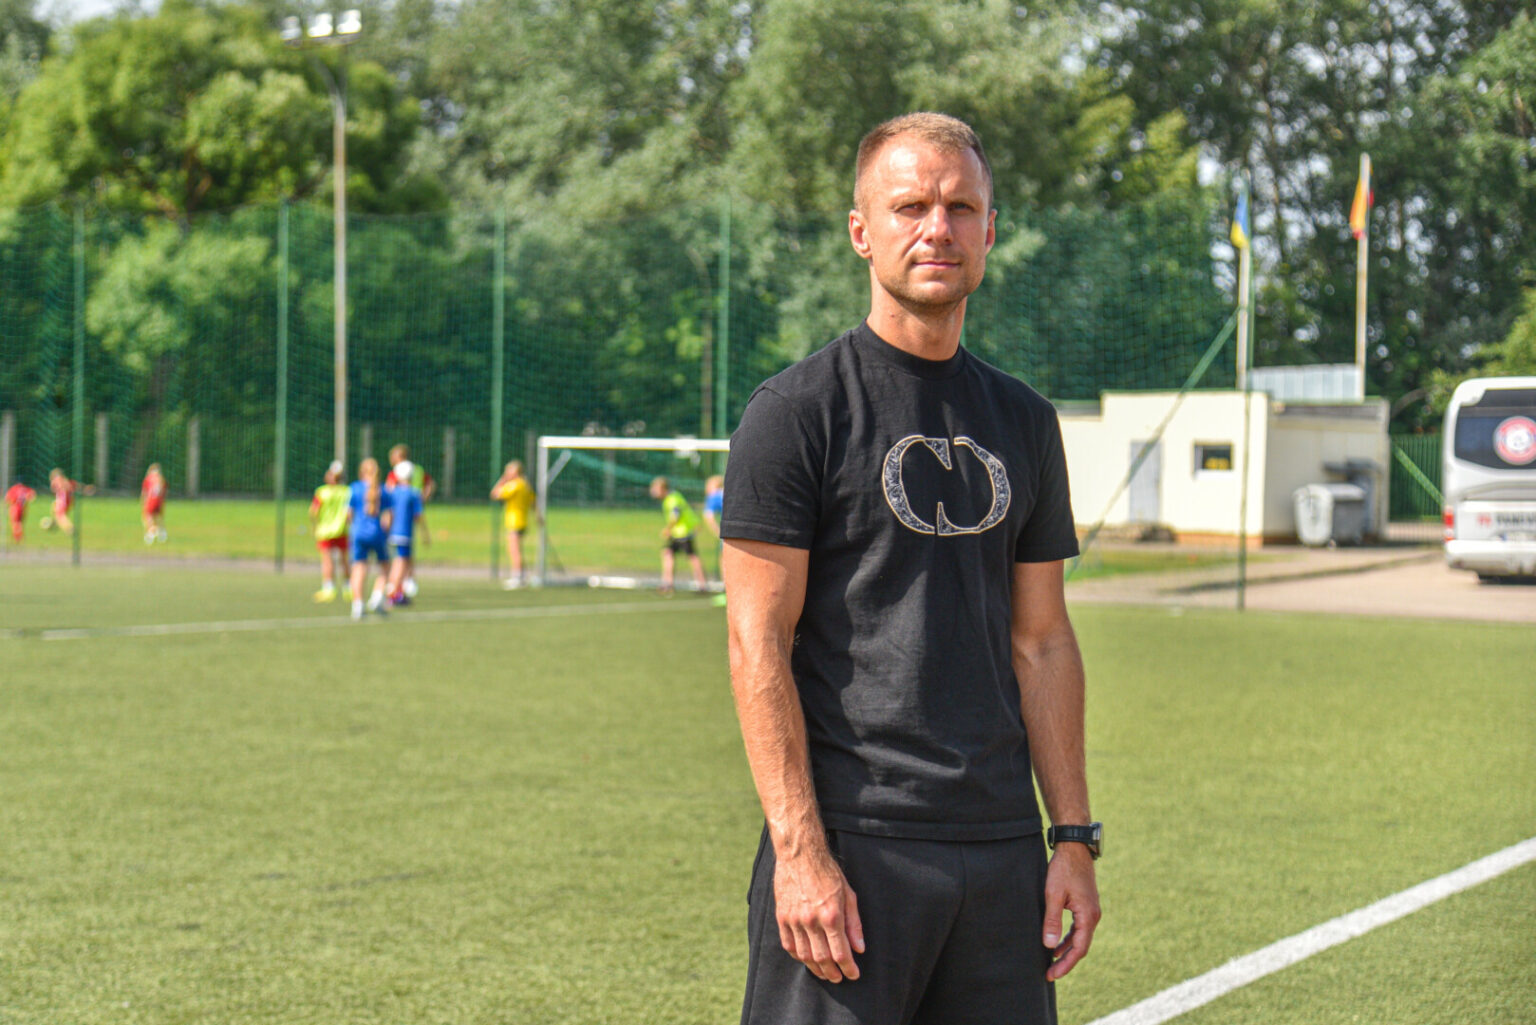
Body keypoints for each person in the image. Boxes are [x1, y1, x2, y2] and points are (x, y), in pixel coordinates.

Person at [720, 112, 1100, 1025]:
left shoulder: (1026, 420)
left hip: (1001, 850)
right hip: (856, 848)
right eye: (910, 207)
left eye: (961, 207)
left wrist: (1072, 836)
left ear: (990, 231)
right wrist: (800, 850)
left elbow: (1043, 640)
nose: (939, 228)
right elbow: (756, 640)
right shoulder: (797, 412)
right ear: (862, 232)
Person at [385, 444, 434, 597]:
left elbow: (388, 506)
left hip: (396, 524)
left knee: (400, 557)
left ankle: (401, 583)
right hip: (406, 523)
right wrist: (422, 499)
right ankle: (396, 586)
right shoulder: (416, 479)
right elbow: (430, 484)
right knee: (402, 558)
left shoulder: (395, 482)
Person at [347, 457, 392, 620]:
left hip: (358, 532)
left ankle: (358, 604)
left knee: (359, 568)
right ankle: (377, 597)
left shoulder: (355, 488)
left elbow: (349, 514)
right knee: (385, 567)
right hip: (377, 533)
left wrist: (353, 528)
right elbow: (388, 517)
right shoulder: (384, 490)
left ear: (361, 472)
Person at [649, 476, 707, 594]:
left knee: (692, 557)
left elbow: (676, 514)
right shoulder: (671, 497)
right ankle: (668, 583)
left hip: (683, 532)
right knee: (667, 552)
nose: (653, 491)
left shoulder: (672, 499)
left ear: (663, 488)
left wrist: (668, 529)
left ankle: (702, 584)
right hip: (677, 533)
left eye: (656, 488)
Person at [309, 461, 351, 602]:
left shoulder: (322, 492)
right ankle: (348, 587)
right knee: (344, 559)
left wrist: (314, 525)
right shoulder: (346, 491)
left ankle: (329, 588)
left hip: (325, 531)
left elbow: (314, 511)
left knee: (327, 560)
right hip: (342, 529)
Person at [491, 460, 536, 589]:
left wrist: (503, 480)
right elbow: (533, 501)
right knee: (517, 550)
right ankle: (522, 576)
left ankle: (517, 578)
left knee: (514, 550)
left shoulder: (515, 485)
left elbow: (495, 493)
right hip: (521, 520)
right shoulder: (525, 485)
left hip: (515, 521)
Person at [140, 463, 167, 544]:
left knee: (147, 518)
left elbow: (144, 492)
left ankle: (151, 534)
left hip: (151, 501)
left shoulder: (148, 479)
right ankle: (162, 533)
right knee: (158, 518)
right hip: (159, 502)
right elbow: (164, 492)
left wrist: (143, 502)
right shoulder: (161, 479)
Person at [5, 479, 36, 543]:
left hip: (15, 507)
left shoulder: (13, 488)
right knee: (19, 523)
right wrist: (28, 499)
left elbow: (7, 498)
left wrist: (9, 504)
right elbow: (32, 494)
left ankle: (17, 537)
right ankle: (19, 537)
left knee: (14, 523)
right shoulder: (25, 488)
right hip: (23, 508)